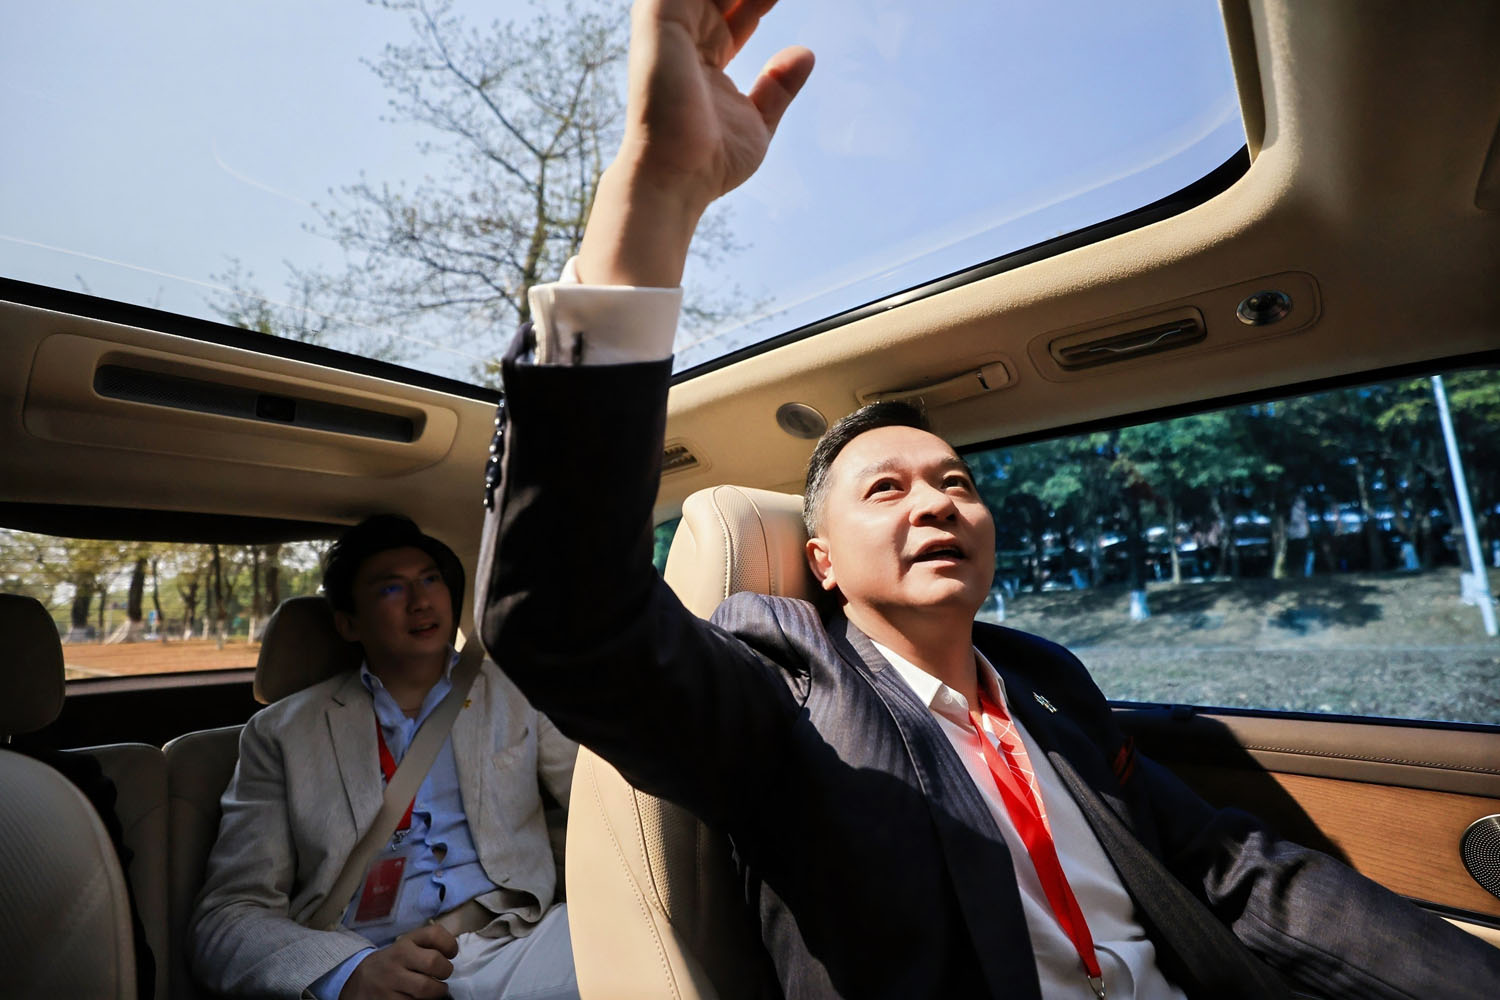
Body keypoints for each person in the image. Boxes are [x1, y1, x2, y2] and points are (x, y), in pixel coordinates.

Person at [475, 1, 1499, 997]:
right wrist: (652, 199)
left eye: (956, 482)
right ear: (822, 561)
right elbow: (566, 620)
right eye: (886, 488)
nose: (935, 504)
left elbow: (1232, 869)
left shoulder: (1049, 682)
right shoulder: (786, 684)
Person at [191, 515, 579, 1000]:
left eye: (430, 580)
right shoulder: (281, 734)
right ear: (348, 623)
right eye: (391, 589)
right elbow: (226, 917)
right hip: (370, 963)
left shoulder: (519, 691)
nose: (421, 601)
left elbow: (607, 809)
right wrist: (347, 974)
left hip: (515, 940)